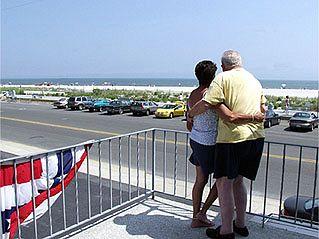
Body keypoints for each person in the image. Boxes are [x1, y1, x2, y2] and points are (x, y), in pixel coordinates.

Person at [188, 50, 266, 239]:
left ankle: (226, 231)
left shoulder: (222, 79)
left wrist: (190, 114)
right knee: (239, 181)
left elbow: (206, 103)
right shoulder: (255, 80)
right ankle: (240, 225)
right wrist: (253, 117)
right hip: (255, 138)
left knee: (224, 185)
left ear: (223, 66)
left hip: (232, 139)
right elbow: (263, 109)